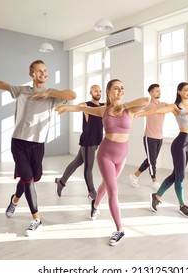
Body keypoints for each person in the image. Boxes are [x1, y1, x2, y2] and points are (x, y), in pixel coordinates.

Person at [0, 60, 76, 236]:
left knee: (29, 178)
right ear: (31, 73)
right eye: (39, 71)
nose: (43, 74)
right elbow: (4, 85)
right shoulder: (22, 91)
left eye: (45, 71)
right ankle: (36, 219)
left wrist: (49, 93)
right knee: (28, 179)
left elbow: (72, 95)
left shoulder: (52, 95)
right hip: (19, 142)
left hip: (38, 145)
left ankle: (14, 200)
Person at [56, 79, 150, 246]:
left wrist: (125, 105)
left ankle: (95, 204)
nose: (120, 90)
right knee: (113, 191)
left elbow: (147, 100)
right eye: (116, 88)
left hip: (122, 155)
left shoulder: (131, 109)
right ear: (108, 91)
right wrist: (67, 107)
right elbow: (82, 108)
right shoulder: (103, 110)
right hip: (105, 154)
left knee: (106, 186)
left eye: (122, 88)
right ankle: (119, 229)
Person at [139, 82, 188, 218]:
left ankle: (156, 197)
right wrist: (136, 114)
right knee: (180, 177)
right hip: (180, 142)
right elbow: (156, 111)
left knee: (175, 175)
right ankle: (182, 205)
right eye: (186, 90)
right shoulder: (176, 107)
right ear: (179, 92)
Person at [55, 85, 104, 200]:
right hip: (88, 142)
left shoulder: (103, 106)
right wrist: (65, 107)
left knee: (77, 162)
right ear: (90, 92)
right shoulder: (86, 105)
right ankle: (92, 192)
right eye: (96, 90)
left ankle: (61, 182)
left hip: (96, 141)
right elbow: (75, 107)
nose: (98, 92)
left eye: (100, 91)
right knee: (88, 168)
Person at [129, 83, 167, 190]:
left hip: (160, 137)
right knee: (152, 161)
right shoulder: (147, 104)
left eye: (159, 91)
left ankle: (134, 176)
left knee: (151, 159)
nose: (159, 92)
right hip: (149, 137)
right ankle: (154, 181)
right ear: (151, 92)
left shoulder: (163, 104)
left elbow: (174, 108)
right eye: (156, 91)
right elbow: (136, 109)